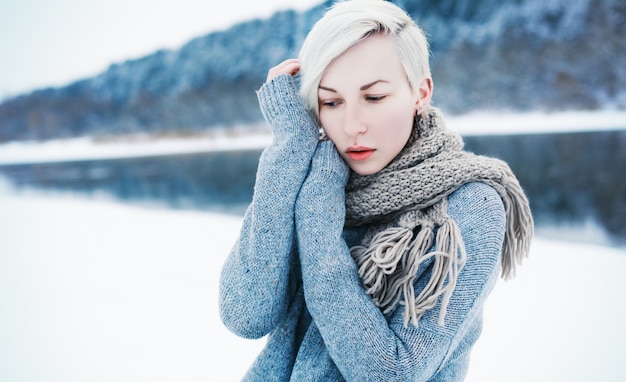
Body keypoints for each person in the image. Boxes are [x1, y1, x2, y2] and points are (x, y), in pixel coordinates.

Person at [219, 0, 534, 380]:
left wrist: (319, 223)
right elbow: (245, 314)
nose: (352, 125)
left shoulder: (469, 206)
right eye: (330, 101)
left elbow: (391, 373)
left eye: (374, 97)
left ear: (420, 93)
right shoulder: (309, 176)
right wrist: (288, 147)